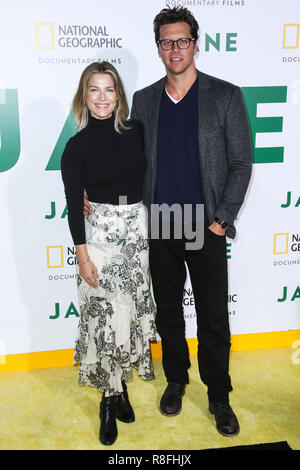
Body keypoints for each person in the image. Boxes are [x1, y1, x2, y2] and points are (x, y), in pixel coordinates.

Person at [85, 7, 252, 437]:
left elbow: (240, 164)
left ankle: (219, 394)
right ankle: (176, 379)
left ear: (196, 43)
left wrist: (221, 221)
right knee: (170, 315)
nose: (175, 49)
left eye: (182, 40)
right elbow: (126, 161)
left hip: (206, 225)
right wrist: (90, 190)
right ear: (157, 47)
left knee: (214, 317)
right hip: (158, 225)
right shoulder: (143, 101)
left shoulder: (226, 96)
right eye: (166, 41)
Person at [61, 61, 156, 446]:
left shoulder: (137, 132)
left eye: (109, 89)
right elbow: (72, 207)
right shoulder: (75, 147)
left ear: (119, 95)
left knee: (127, 315)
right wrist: (83, 258)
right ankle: (108, 398)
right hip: (98, 240)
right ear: (85, 96)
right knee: (103, 320)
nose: (102, 98)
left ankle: (120, 388)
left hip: (136, 236)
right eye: (94, 90)